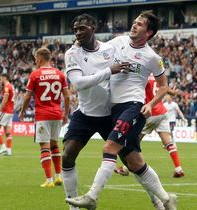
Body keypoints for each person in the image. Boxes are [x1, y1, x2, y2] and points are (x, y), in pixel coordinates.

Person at [66, 10, 177, 210]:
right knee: (134, 161)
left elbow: (163, 85)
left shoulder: (153, 57)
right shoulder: (118, 42)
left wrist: (151, 104)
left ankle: (92, 196)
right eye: (134, 22)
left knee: (109, 148)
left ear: (149, 32)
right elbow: (97, 49)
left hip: (133, 106)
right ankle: (164, 200)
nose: (134, 25)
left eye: (140, 24)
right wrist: (77, 44)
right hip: (113, 109)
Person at [62, 14, 129, 210]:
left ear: (93, 27)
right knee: (67, 156)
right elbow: (79, 84)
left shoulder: (110, 49)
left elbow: (125, 70)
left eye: (82, 28)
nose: (78, 33)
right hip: (85, 114)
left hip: (110, 115)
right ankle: (73, 206)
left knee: (131, 160)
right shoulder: (72, 53)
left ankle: (159, 200)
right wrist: (110, 71)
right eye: (75, 30)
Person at [114, 75, 185, 178]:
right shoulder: (157, 75)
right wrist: (172, 92)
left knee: (133, 141)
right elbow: (164, 87)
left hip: (150, 112)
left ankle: (126, 168)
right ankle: (178, 168)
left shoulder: (144, 75)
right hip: (162, 112)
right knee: (168, 142)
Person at [19, 47, 70, 188]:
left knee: (44, 147)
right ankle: (58, 176)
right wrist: (65, 113)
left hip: (43, 115)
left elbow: (28, 95)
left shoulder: (35, 74)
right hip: (57, 114)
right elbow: (67, 96)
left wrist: (22, 110)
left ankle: (49, 180)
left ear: (40, 59)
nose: (35, 61)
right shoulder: (60, 74)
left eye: (36, 59)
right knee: (55, 145)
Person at [0, 73, 15, 156]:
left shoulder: (6, 87)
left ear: (4, 78)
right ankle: (9, 150)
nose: (0, 80)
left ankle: (3, 147)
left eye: (1, 78)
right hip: (11, 112)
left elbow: (5, 100)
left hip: (6, 111)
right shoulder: (12, 86)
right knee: (7, 132)